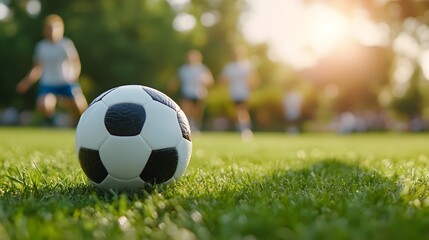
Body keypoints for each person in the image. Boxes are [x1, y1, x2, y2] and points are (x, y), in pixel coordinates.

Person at [16, 14, 88, 126]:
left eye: (55, 28)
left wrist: (74, 75)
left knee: (80, 107)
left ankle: (78, 124)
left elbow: (75, 62)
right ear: (45, 30)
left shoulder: (65, 44)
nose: (53, 31)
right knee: (44, 105)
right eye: (50, 29)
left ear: (61, 30)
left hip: (66, 81)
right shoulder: (41, 46)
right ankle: (55, 122)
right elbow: (37, 68)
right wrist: (26, 82)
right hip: (48, 83)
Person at [220, 46, 258, 140]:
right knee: (238, 112)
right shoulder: (229, 67)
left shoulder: (247, 65)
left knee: (243, 110)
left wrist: (251, 86)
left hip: (244, 92)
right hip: (234, 93)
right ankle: (241, 128)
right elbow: (222, 79)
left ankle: (245, 129)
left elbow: (254, 77)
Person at [174, 49, 213, 132]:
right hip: (187, 92)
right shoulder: (184, 69)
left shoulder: (202, 68)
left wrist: (205, 81)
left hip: (199, 94)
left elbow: (210, 80)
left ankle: (195, 127)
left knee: (197, 113)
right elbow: (177, 80)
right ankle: (186, 127)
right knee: (186, 111)